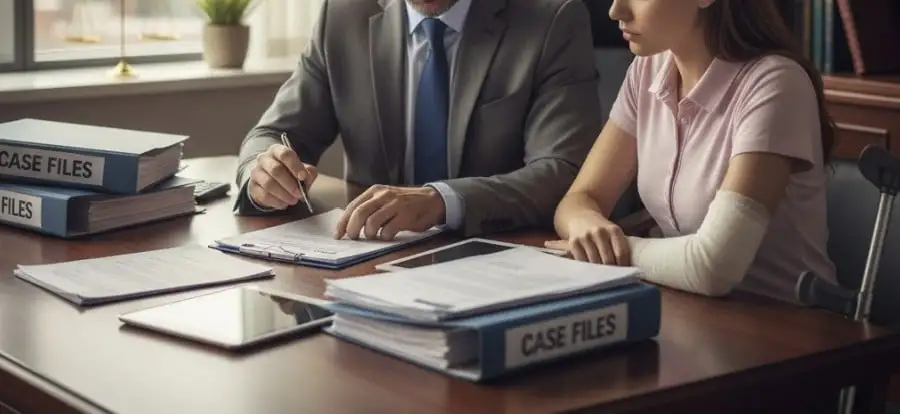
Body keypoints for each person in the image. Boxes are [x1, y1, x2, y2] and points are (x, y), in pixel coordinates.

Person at [546, 0, 838, 304]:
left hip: (789, 325)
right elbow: (580, 198)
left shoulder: (776, 84)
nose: (616, 11)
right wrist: (585, 225)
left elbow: (714, 266)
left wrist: (612, 250)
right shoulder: (648, 69)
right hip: (692, 310)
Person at [233, 0, 602, 240]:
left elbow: (563, 171)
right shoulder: (343, 15)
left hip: (497, 255)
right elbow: (273, 134)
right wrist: (262, 172)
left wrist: (441, 201)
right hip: (369, 260)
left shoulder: (552, 20)